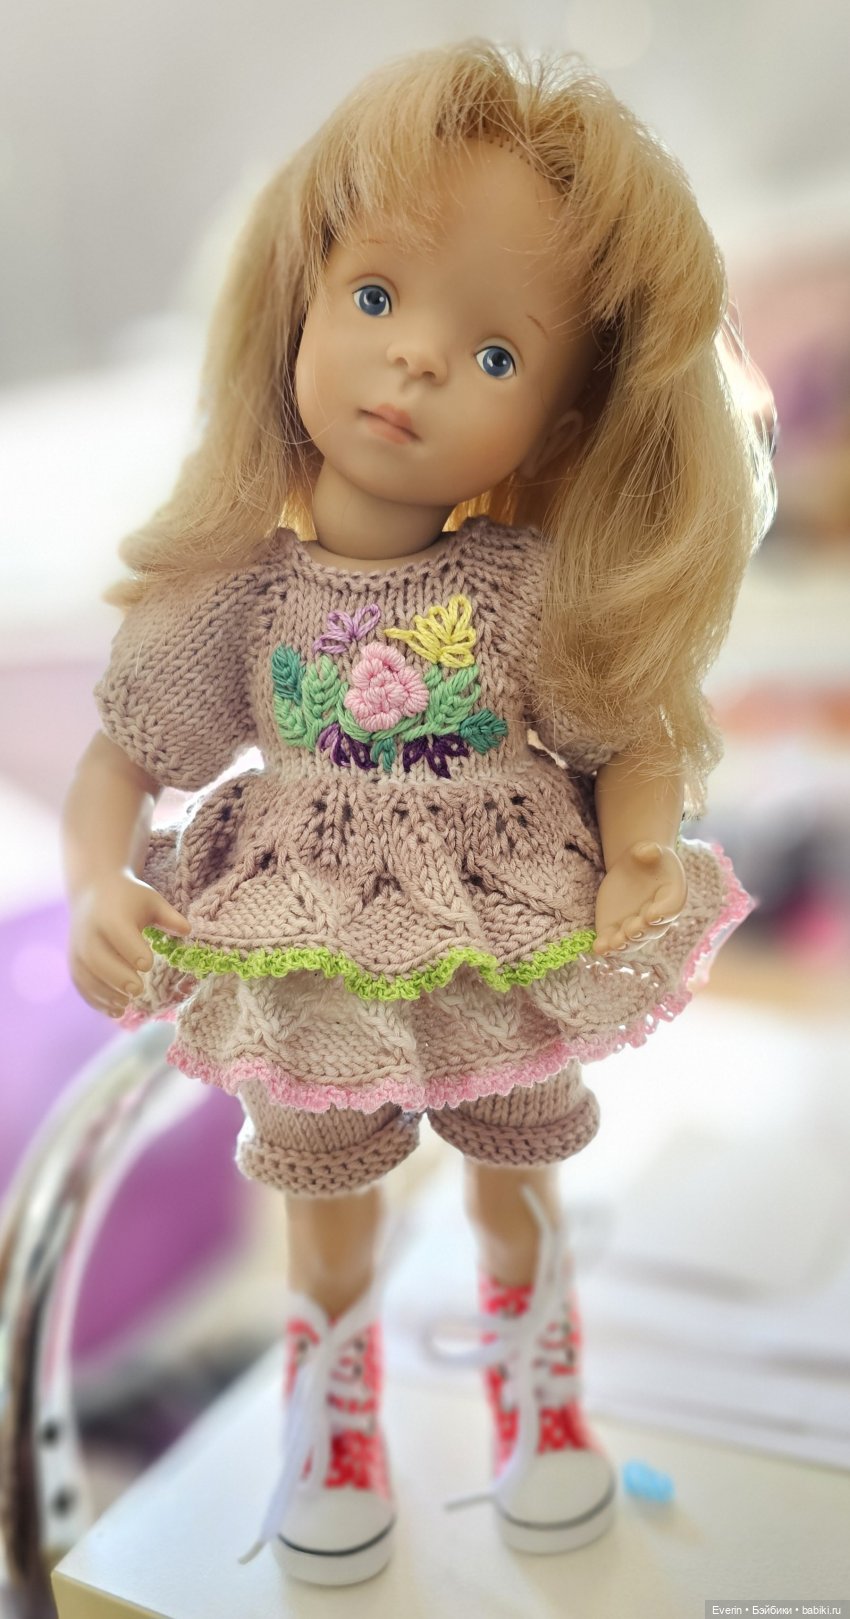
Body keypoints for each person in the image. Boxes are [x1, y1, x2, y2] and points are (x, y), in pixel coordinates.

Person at [62, 38, 774, 1588]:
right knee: (323, 1197)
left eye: (496, 355)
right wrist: (98, 882)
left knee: (518, 1165)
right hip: (303, 929)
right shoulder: (238, 594)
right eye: (375, 298)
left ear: (562, 423)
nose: (416, 365)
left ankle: (541, 1393)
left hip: (498, 913)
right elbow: (124, 755)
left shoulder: (524, 591)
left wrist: (638, 848)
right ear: (298, 300)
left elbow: (626, 734)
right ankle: (333, 1416)